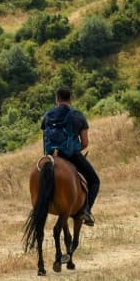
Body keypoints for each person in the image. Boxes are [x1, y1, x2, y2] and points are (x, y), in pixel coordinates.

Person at [41, 87, 100, 226]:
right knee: (95, 181)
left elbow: (45, 137)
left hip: (51, 156)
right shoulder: (77, 115)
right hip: (70, 155)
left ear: (57, 99)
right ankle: (86, 211)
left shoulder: (48, 115)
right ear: (70, 98)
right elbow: (85, 142)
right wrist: (74, 149)